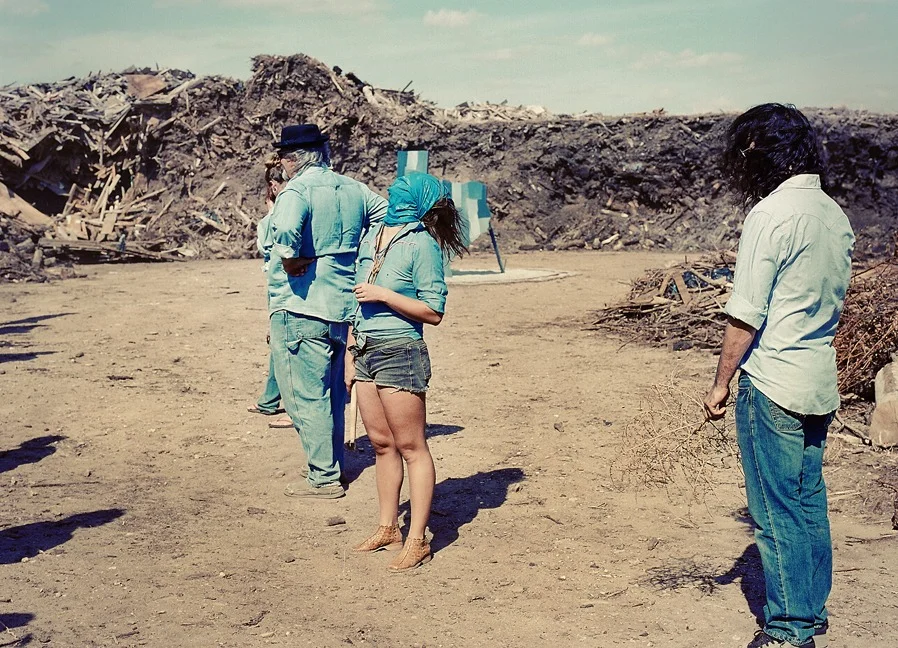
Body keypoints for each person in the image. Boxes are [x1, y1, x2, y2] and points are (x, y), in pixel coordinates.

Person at [702, 104, 854, 648]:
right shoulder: (834, 214)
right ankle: (811, 611)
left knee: (774, 510)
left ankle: (790, 629)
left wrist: (721, 381)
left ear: (756, 153)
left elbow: (746, 314)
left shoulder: (770, 215)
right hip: (817, 378)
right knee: (809, 501)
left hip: (772, 382)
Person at [346, 173, 467, 571]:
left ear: (416, 201)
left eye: (403, 189)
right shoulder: (373, 235)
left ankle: (417, 540)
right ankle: (388, 528)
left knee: (412, 446)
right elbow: (355, 299)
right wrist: (350, 352)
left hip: (400, 351)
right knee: (381, 444)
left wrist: (384, 295)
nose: (393, 191)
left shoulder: (423, 244)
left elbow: (433, 311)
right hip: (365, 350)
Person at [268, 124, 387, 499]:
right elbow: (386, 216)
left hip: (302, 304)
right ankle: (330, 465)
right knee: (334, 393)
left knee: (305, 395)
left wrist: (290, 259)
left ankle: (322, 477)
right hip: (342, 305)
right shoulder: (353, 188)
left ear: (292, 159)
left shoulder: (296, 190)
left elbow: (285, 232)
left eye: (283, 158)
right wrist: (360, 256)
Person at [246, 156, 292, 429]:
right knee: (279, 343)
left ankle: (290, 406)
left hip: (283, 283)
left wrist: (269, 213)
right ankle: (270, 399)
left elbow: (266, 247)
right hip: (284, 281)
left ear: (274, 186)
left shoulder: (276, 217)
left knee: (284, 344)